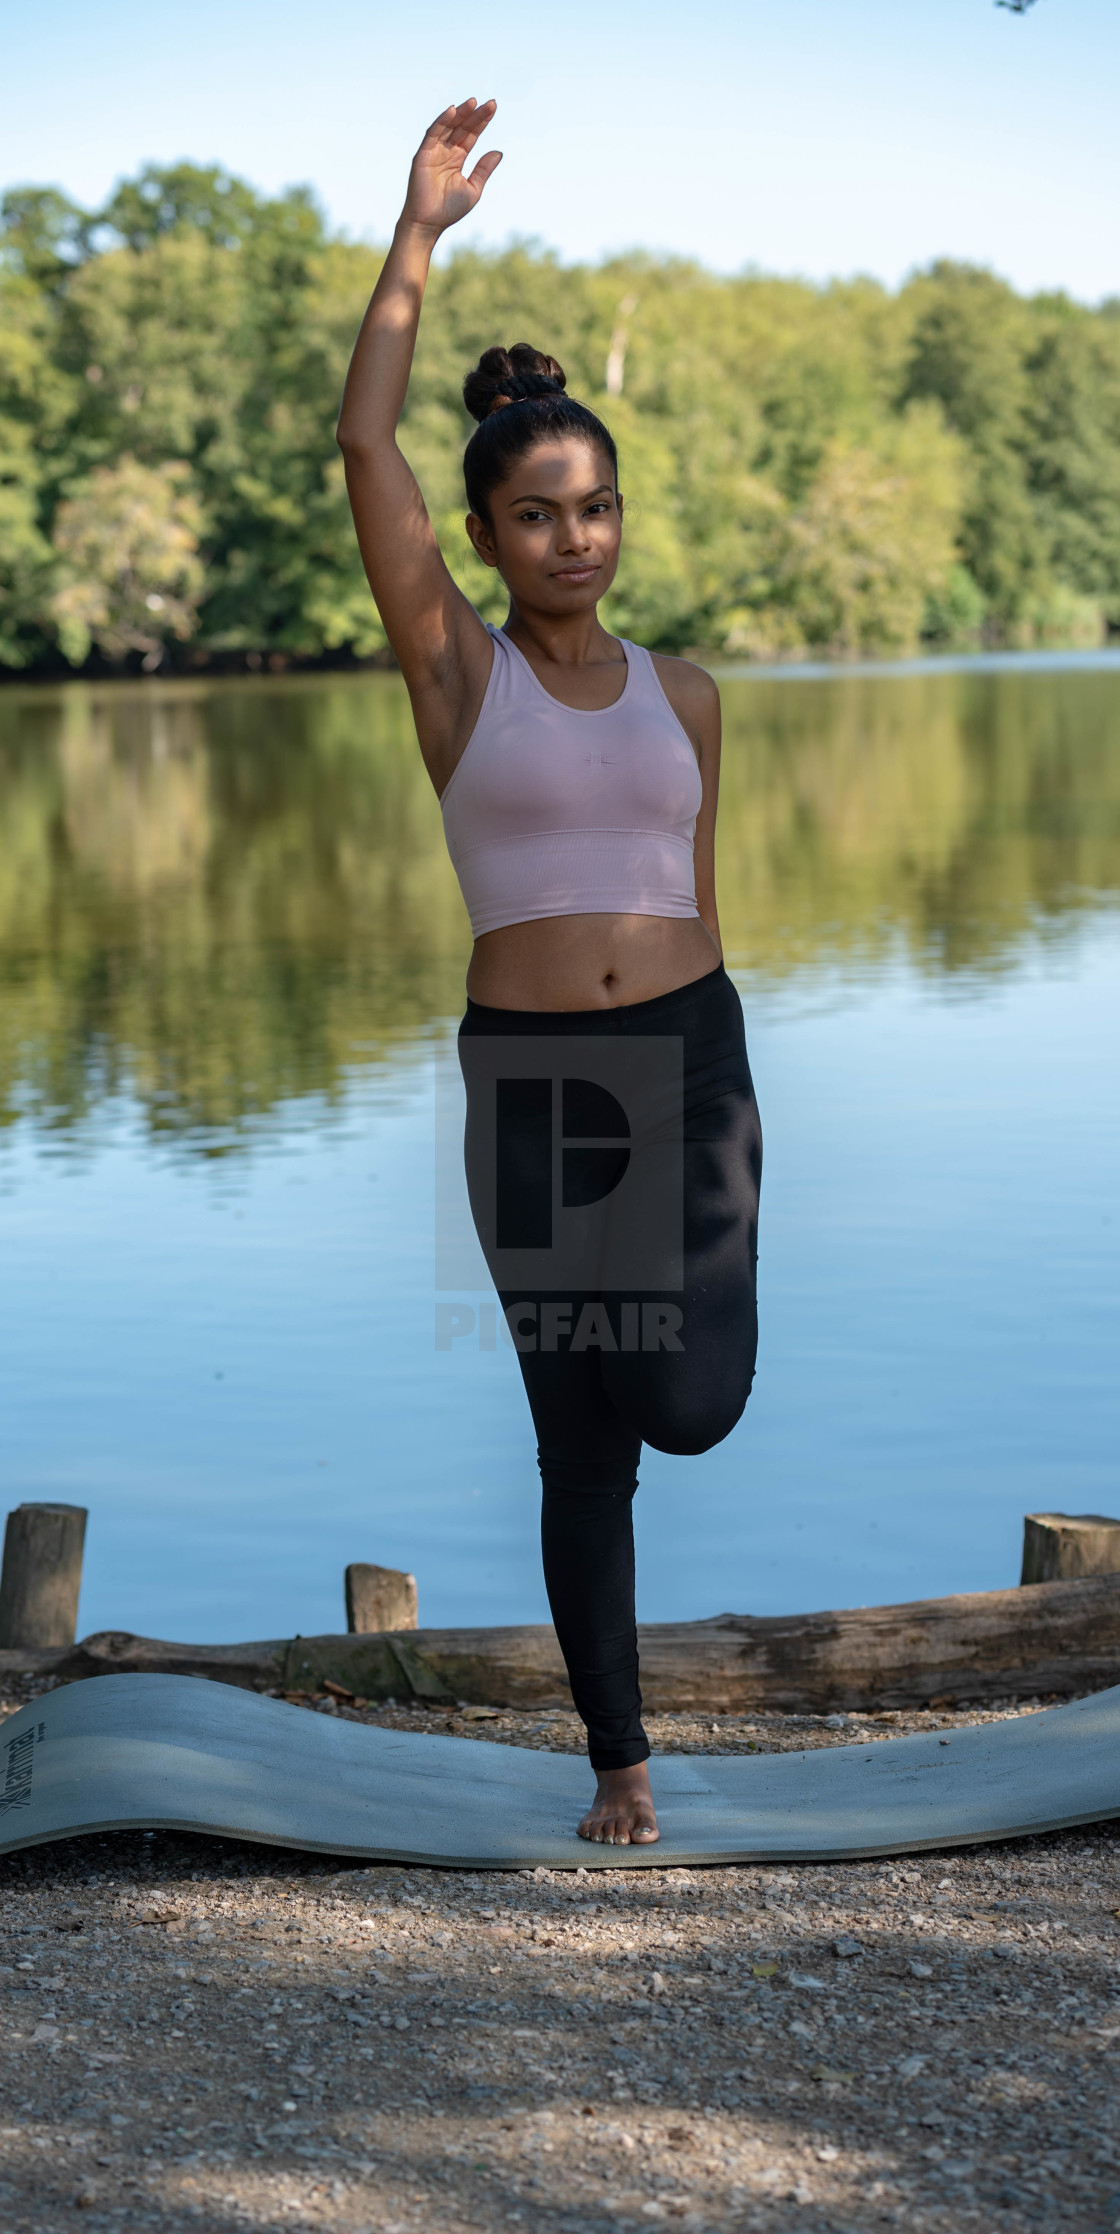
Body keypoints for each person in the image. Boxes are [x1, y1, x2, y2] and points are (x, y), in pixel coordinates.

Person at [337, 100, 762, 1846]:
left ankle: (715, 1314)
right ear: (493, 539)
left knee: (686, 1401)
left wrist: (715, 1080)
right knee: (576, 1449)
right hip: (525, 1090)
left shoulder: (688, 697)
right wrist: (416, 236)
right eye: (537, 516)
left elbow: (705, 899)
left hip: (685, 1062)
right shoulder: (456, 678)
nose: (574, 538)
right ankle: (621, 1762)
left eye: (594, 508)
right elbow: (365, 446)